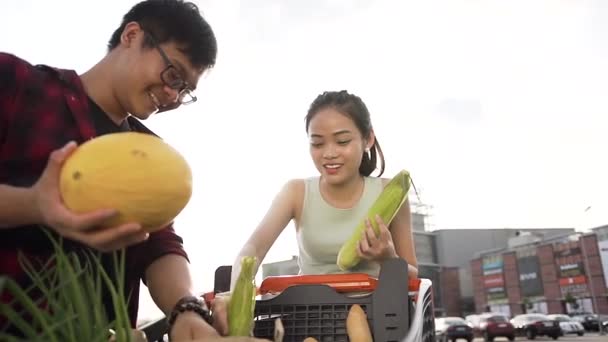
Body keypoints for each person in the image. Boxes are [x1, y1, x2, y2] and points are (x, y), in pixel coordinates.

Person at [0, 0, 266, 341]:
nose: (172, 96)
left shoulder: (150, 152)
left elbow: (158, 244)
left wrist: (186, 309)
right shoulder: (18, 86)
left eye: (185, 90)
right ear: (132, 35)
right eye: (173, 74)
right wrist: (34, 205)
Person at [229, 90, 419, 291]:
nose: (329, 154)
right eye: (318, 143)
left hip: (378, 313)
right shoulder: (296, 192)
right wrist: (236, 290)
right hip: (310, 314)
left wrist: (388, 259)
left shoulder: (389, 192)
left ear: (368, 139)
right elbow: (254, 248)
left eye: (342, 141)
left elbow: (414, 275)